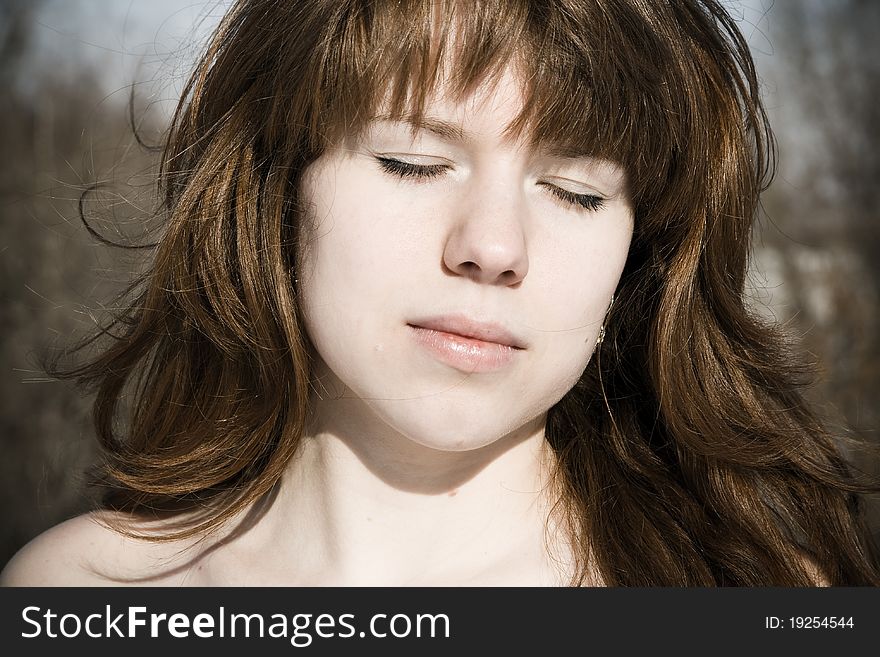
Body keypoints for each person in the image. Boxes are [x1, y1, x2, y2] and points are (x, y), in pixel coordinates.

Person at [2, 0, 878, 587]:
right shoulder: (74, 596)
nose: (493, 247)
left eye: (575, 189)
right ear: (279, 185)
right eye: (411, 163)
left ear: (637, 254)